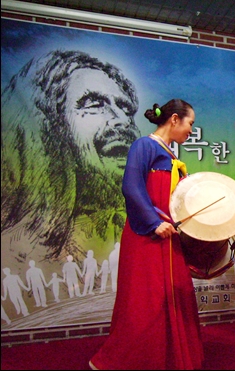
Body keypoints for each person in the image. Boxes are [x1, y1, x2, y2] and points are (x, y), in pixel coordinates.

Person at [89, 99, 204, 370]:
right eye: (190, 123)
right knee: (146, 301)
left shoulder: (170, 154)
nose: (191, 130)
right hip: (149, 235)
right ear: (174, 119)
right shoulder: (144, 145)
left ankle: (170, 359)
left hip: (167, 235)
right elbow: (132, 187)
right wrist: (153, 222)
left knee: (172, 296)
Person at [1, 49, 140, 272]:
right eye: (94, 104)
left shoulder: (133, 234)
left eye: (125, 109)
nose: (122, 120)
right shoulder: (16, 255)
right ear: (51, 125)